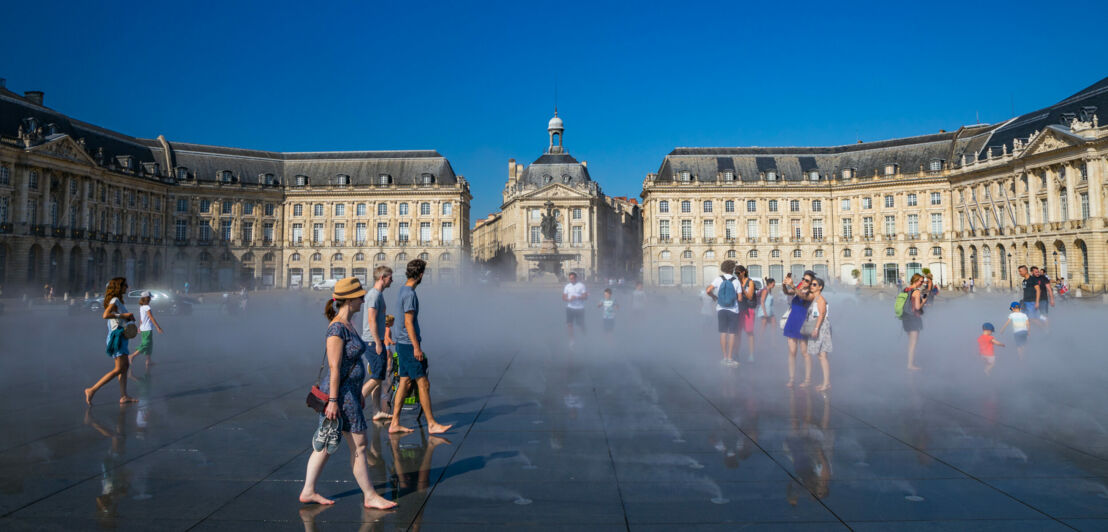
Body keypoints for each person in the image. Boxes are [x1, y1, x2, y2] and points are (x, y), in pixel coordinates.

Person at [299, 277, 396, 510]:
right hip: (340, 394)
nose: (363, 300)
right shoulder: (336, 329)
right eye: (360, 297)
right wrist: (333, 401)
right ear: (349, 299)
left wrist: (357, 391)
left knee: (326, 441)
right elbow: (334, 368)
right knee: (358, 443)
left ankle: (308, 490)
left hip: (349, 392)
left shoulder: (348, 324)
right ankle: (370, 496)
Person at [388, 259, 452, 435]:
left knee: (404, 381)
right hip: (408, 345)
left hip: (403, 344)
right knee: (423, 383)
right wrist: (417, 348)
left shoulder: (403, 289)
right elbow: (408, 322)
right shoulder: (410, 294)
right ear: (421, 274)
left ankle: (394, 423)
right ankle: (431, 424)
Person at [84, 277, 138, 405]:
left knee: (124, 367)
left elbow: (117, 318)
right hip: (117, 336)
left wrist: (129, 319)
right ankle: (92, 390)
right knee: (119, 368)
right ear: (118, 287)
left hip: (122, 335)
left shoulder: (118, 301)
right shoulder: (114, 300)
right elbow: (105, 315)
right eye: (125, 285)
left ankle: (124, 396)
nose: (127, 286)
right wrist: (124, 315)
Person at [361, 266, 394, 421]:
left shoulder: (378, 295)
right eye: (390, 278)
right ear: (382, 277)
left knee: (378, 377)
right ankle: (354, 402)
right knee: (377, 377)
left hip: (375, 340)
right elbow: (371, 320)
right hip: (372, 341)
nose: (391, 281)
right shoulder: (374, 295)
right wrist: (378, 342)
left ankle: (376, 411)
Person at [782, 271, 817, 386]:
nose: (804, 281)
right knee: (792, 352)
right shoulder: (799, 287)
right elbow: (788, 293)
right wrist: (784, 285)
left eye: (807, 280)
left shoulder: (811, 292)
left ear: (811, 282)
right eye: (803, 279)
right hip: (792, 320)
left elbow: (803, 296)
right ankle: (791, 378)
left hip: (803, 322)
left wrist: (793, 286)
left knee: (804, 352)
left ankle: (808, 379)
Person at [706, 260, 742, 367]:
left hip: (721, 309)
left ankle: (724, 357)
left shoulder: (718, 279)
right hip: (733, 310)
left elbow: (708, 290)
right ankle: (730, 359)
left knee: (723, 333)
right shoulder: (736, 281)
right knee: (732, 334)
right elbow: (740, 299)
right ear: (732, 269)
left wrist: (714, 297)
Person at [806, 278, 832, 392]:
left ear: (820, 287)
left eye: (814, 284)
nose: (811, 286)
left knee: (822, 356)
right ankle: (826, 382)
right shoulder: (814, 298)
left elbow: (821, 315)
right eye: (811, 284)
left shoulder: (820, 299)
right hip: (818, 326)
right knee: (820, 355)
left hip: (821, 327)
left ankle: (826, 383)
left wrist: (816, 328)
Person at [128, 291, 163, 372]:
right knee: (146, 345)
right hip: (147, 329)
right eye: (150, 297)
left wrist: (139, 327)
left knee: (149, 345)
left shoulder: (142, 307)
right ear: (147, 298)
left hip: (144, 328)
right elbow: (151, 318)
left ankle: (148, 361)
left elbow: (141, 318)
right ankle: (132, 356)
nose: (150, 299)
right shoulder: (147, 307)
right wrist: (158, 327)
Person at [901, 274, 926, 371]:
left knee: (910, 342)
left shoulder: (905, 289)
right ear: (915, 281)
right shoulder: (916, 291)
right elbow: (917, 307)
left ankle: (910, 362)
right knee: (913, 343)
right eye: (920, 281)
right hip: (914, 319)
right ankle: (910, 365)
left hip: (905, 318)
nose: (922, 283)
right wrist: (923, 301)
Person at [735, 265, 757, 363]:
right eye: (735, 273)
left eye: (738, 273)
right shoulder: (736, 282)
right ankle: (736, 353)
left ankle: (751, 354)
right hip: (739, 310)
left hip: (748, 309)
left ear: (743, 272)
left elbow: (750, 296)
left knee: (749, 332)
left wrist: (742, 289)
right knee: (737, 333)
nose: (737, 275)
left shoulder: (750, 282)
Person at [563, 272, 588, 344]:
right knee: (569, 324)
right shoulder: (567, 286)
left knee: (580, 324)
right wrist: (568, 299)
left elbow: (585, 297)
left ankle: (585, 337)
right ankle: (572, 341)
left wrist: (577, 297)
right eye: (570, 278)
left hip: (580, 308)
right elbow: (564, 297)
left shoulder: (581, 286)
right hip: (570, 308)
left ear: (576, 278)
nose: (571, 280)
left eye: (573, 278)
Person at [755, 278, 777, 349]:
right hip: (765, 311)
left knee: (774, 325)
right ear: (770, 283)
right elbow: (762, 301)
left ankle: (773, 342)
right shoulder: (765, 290)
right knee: (763, 327)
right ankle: (759, 344)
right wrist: (765, 313)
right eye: (774, 283)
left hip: (770, 311)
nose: (774, 285)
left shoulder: (769, 290)